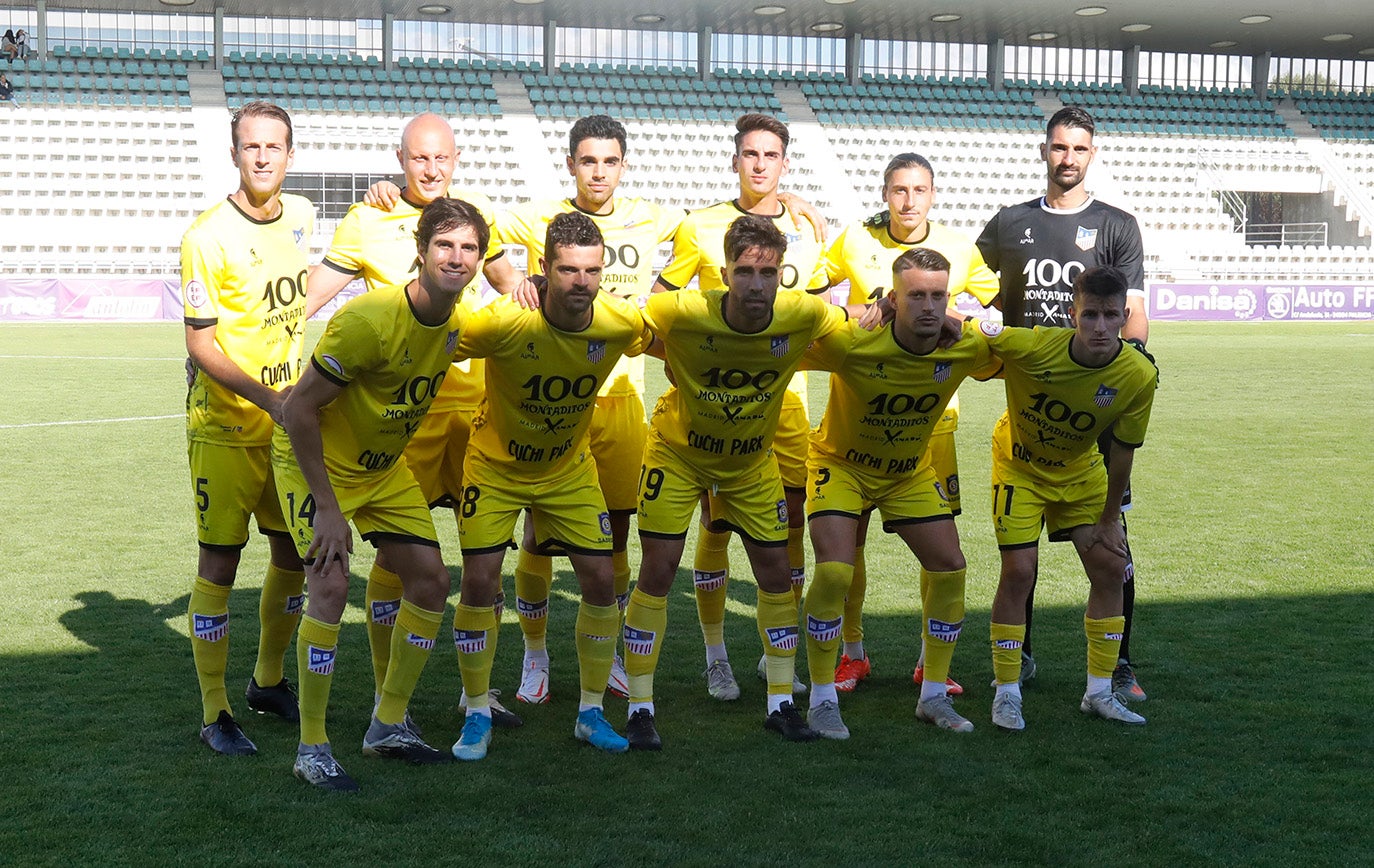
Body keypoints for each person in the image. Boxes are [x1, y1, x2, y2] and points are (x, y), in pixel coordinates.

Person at [305, 112, 523, 729]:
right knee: (397, 564)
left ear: (457, 160)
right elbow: (305, 299)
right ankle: (386, 694)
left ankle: (476, 694)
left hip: (477, 412)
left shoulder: (478, 215)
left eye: (443, 159)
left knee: (485, 561)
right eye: (419, 159)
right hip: (403, 424)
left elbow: (515, 289)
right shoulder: (367, 218)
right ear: (399, 159)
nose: (432, 170)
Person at [275, 196, 489, 790]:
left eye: (468, 248)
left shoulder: (457, 319)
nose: (456, 257)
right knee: (331, 583)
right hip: (317, 467)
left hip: (382, 470)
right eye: (444, 245)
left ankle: (387, 724)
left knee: (430, 580)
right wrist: (326, 505)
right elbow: (298, 411)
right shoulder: (369, 320)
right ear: (419, 252)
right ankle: (311, 746)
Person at [623, 215, 851, 750]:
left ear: (781, 275)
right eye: (745, 271)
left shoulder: (805, 312)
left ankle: (780, 702)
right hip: (678, 456)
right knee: (657, 569)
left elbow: (857, 320)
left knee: (776, 573)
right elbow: (628, 322)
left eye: (767, 272)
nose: (756, 284)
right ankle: (639, 706)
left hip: (751, 462)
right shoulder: (678, 308)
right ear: (724, 272)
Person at [447, 211, 654, 760]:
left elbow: (675, 340)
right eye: (567, 270)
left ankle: (589, 711)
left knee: (601, 579)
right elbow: (430, 341)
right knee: (478, 583)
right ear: (543, 267)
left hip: (568, 470)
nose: (581, 282)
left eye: (591, 270)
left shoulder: (619, 321)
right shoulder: (503, 321)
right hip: (495, 468)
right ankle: (475, 710)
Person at [490, 115, 682, 706]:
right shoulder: (542, 214)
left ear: (623, 166)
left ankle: (616, 651)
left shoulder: (651, 215)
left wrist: (792, 198)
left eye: (611, 161)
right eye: (588, 160)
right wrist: (514, 281)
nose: (599, 172)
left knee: (616, 534)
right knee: (539, 535)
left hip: (621, 399)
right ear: (571, 163)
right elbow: (488, 230)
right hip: (553, 402)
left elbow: (716, 225)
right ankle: (536, 655)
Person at [975, 106, 1151, 701]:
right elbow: (973, 287)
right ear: (1044, 151)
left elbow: (1135, 314)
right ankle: (1018, 654)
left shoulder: (1119, 226)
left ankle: (1119, 664)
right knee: (1020, 551)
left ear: (1091, 154)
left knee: (1110, 541)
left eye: (1078, 149)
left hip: (1093, 406)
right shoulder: (1010, 223)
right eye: (1058, 148)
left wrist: (1115, 377)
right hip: (1032, 403)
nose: (1067, 158)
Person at [653, 113, 830, 701]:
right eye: (750, 154)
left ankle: (776, 656)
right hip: (711, 410)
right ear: (735, 161)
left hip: (785, 409)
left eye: (771, 156)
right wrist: (690, 374)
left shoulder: (807, 226)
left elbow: (822, 305)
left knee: (788, 531)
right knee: (714, 521)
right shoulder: (700, 227)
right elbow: (663, 307)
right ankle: (715, 653)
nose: (760, 165)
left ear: (785, 163)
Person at [799, 248, 999, 738]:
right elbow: (780, 339)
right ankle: (821, 698)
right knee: (834, 570)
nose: (929, 307)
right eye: (916, 296)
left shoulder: (963, 346)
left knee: (950, 568)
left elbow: (1019, 352)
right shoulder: (854, 343)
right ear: (893, 298)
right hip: (840, 466)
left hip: (908, 472)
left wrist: (976, 328)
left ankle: (932, 695)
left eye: (938, 296)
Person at [820, 152, 1000, 695]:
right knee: (847, 550)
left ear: (933, 194)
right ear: (884, 193)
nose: (908, 200)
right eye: (899, 190)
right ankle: (851, 654)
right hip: (858, 415)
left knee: (937, 550)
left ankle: (930, 662)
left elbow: (997, 315)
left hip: (932, 424)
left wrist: (954, 318)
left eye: (918, 190)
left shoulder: (959, 248)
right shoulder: (853, 239)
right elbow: (802, 294)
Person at [180, 100, 313, 757]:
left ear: (291, 155)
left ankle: (267, 681)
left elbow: (297, 293)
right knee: (222, 560)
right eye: (251, 146)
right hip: (227, 423)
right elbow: (201, 346)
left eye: (275, 147)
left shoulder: (305, 217)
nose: (262, 157)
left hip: (284, 424)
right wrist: (270, 397)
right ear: (235, 153)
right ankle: (215, 711)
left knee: (291, 554)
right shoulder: (206, 236)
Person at [972, 265, 1158, 731]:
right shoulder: (1033, 345)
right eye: (1090, 314)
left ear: (1124, 316)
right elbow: (979, 334)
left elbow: (1123, 451)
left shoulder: (1137, 375)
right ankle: (1006, 691)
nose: (1099, 326)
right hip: (1019, 465)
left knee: (1112, 567)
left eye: (1109, 316)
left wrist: (1112, 517)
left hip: (1080, 472)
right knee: (1018, 573)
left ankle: (1099, 692)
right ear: (1072, 312)